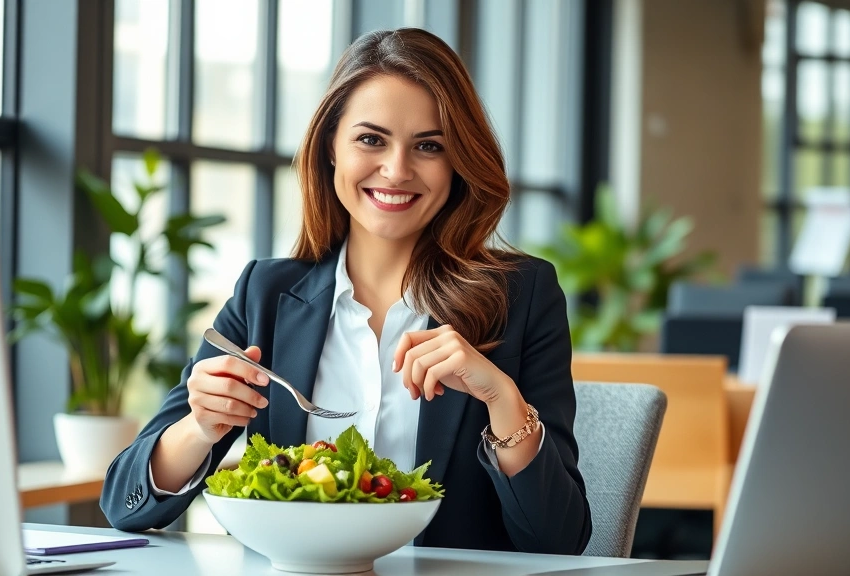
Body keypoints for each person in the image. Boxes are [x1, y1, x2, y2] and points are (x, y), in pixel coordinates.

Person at [101, 27, 591, 555]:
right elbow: (124, 503)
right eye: (371, 139)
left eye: (429, 146)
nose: (396, 170)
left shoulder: (522, 295)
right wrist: (199, 427)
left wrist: (501, 397)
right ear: (330, 147)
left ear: (458, 163)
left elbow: (559, 538)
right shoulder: (265, 293)